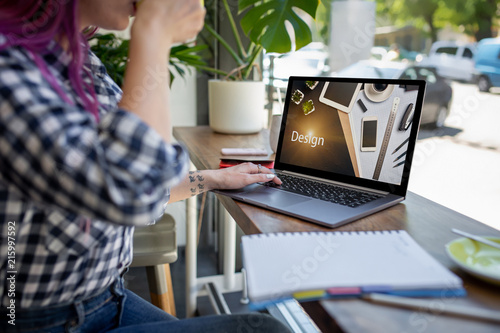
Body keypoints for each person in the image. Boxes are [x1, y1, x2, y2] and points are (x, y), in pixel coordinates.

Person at [0, 0, 288, 332]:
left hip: (106, 297)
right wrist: (153, 33)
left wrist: (214, 178)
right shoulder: (10, 68)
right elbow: (131, 190)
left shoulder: (75, 57)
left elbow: (128, 176)